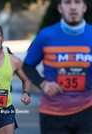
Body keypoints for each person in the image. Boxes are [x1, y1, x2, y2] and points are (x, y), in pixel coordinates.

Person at [23, 0, 92, 133]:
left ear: (84, 7)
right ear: (60, 8)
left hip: (87, 112)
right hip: (53, 114)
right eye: (67, 2)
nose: (72, 7)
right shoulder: (45, 35)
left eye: (77, 2)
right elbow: (27, 66)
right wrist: (43, 84)